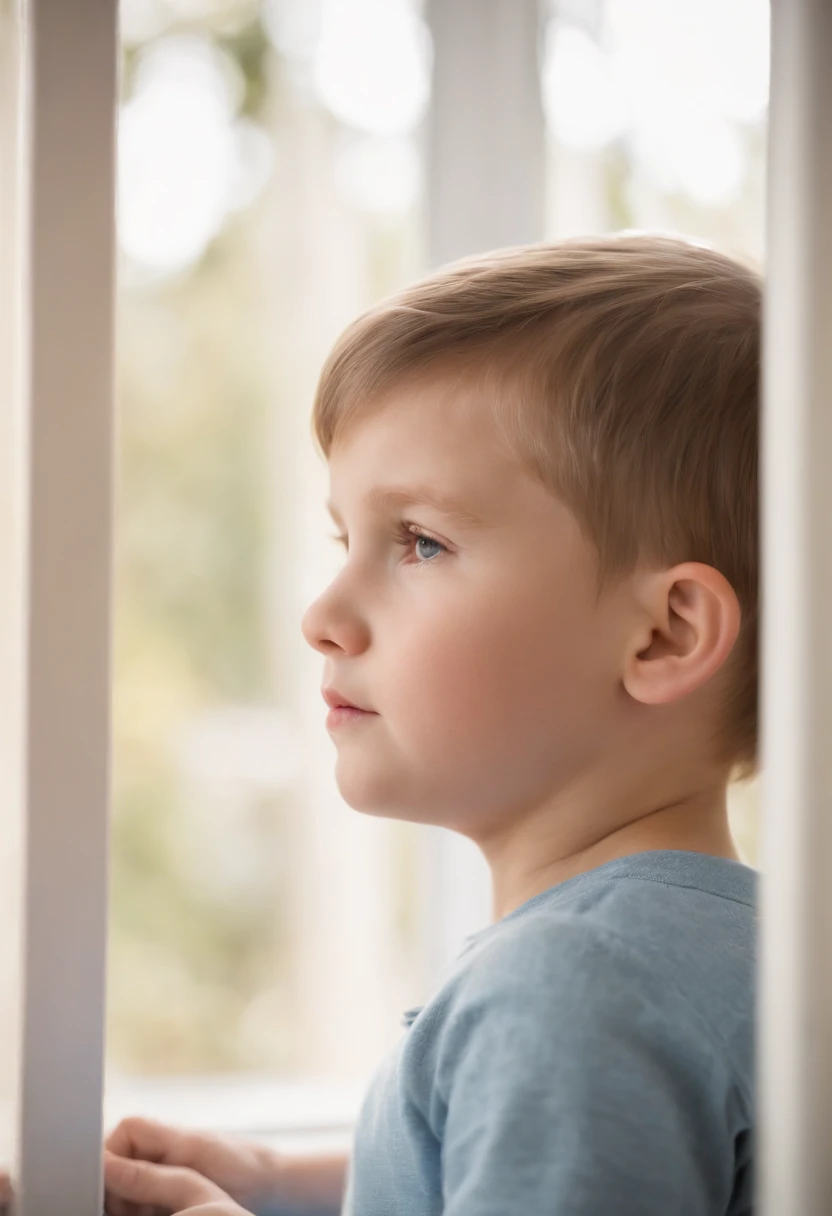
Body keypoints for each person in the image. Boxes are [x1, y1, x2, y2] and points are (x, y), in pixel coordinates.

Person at [103, 234, 759, 1216]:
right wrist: (277, 1183)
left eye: (419, 541)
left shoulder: (569, 987)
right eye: (345, 538)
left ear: (663, 634)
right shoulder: (731, 949)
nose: (322, 613)